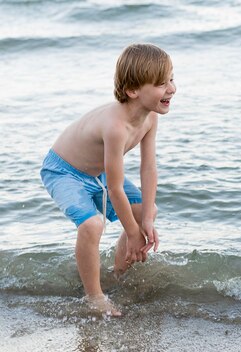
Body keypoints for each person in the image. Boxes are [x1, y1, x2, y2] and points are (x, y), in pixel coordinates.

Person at [40, 43, 176, 316]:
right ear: (133, 91)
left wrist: (145, 221)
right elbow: (115, 189)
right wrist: (135, 234)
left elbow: (148, 168)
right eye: (162, 83)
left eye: (171, 79)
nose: (172, 88)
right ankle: (95, 296)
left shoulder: (149, 118)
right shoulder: (115, 126)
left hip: (98, 170)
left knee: (146, 211)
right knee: (92, 225)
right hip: (65, 171)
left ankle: (118, 273)